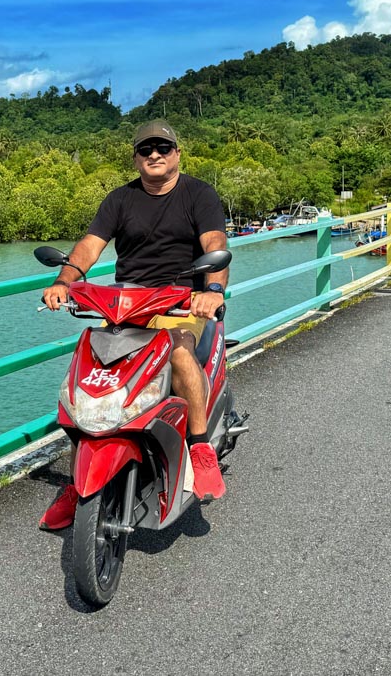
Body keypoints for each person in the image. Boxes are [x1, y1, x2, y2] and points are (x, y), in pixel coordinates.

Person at [39, 119, 230, 530]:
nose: (154, 155)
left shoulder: (199, 194)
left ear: (177, 153)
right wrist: (64, 281)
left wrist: (211, 290)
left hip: (181, 300)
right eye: (146, 150)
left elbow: (215, 245)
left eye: (163, 147)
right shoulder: (120, 199)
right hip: (126, 301)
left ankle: (199, 448)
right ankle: (80, 480)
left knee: (177, 349)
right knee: (92, 365)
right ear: (136, 158)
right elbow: (91, 245)